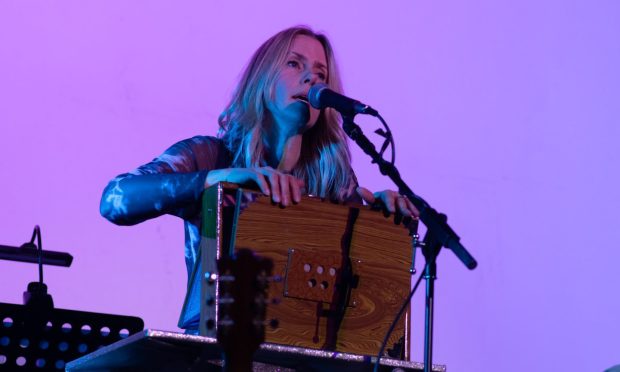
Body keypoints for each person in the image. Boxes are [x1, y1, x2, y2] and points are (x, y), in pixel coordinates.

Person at [100, 25, 418, 331]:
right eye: (294, 64)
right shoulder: (213, 154)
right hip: (218, 352)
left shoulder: (333, 181)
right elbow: (115, 199)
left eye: (321, 75)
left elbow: (359, 289)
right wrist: (219, 179)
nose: (312, 78)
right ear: (261, 80)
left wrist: (381, 221)